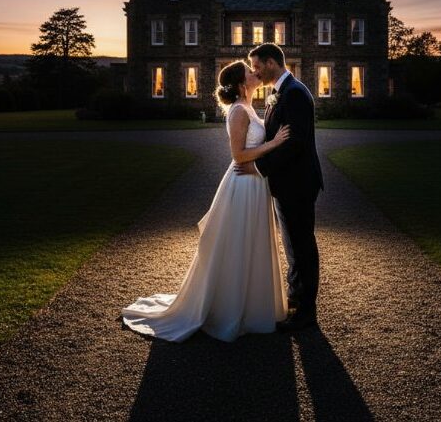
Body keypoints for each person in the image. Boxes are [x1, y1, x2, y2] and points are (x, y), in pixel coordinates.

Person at [121, 60, 291, 342]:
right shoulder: (238, 111)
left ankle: (252, 306)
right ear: (240, 82)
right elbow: (238, 155)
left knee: (251, 241)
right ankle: (228, 308)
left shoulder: (248, 106)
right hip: (243, 182)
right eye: (250, 72)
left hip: (255, 183)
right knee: (238, 242)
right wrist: (274, 144)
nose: (255, 73)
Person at [236, 43, 324, 332]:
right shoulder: (279, 93)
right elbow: (277, 139)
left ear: (272, 62)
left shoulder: (295, 93)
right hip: (286, 183)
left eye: (257, 65)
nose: (255, 71)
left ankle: (306, 313)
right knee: (293, 245)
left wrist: (258, 168)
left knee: (301, 246)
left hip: (297, 183)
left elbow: (295, 143)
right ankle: (296, 298)